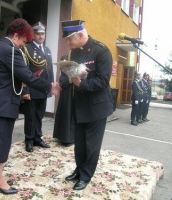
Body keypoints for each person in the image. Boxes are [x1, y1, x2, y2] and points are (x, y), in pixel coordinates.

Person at [0, 18, 60, 195]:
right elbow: (27, 76)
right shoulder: (10, 50)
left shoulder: (0, 46)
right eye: (23, 41)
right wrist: (49, 87)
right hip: (0, 105)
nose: (23, 45)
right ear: (16, 35)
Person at [61, 20, 113, 190]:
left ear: (81, 35)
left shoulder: (101, 50)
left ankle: (86, 176)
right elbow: (71, 76)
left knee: (92, 145)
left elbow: (103, 82)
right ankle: (79, 169)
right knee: (80, 143)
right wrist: (61, 84)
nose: (67, 43)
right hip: (80, 105)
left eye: (69, 39)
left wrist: (80, 84)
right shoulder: (74, 53)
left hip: (97, 107)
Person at [22, 22, 54, 152]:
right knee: (30, 116)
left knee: (39, 115)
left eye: (43, 34)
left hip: (43, 89)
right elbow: (24, 71)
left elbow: (49, 70)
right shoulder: (26, 48)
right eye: (38, 34)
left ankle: (37, 138)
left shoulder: (47, 50)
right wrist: (25, 90)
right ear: (33, 35)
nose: (41, 36)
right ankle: (29, 140)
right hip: (31, 89)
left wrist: (50, 87)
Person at [53, 55, 75, 147]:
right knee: (66, 114)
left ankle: (72, 137)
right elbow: (63, 81)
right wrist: (71, 79)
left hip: (74, 95)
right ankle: (65, 138)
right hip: (66, 96)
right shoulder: (64, 72)